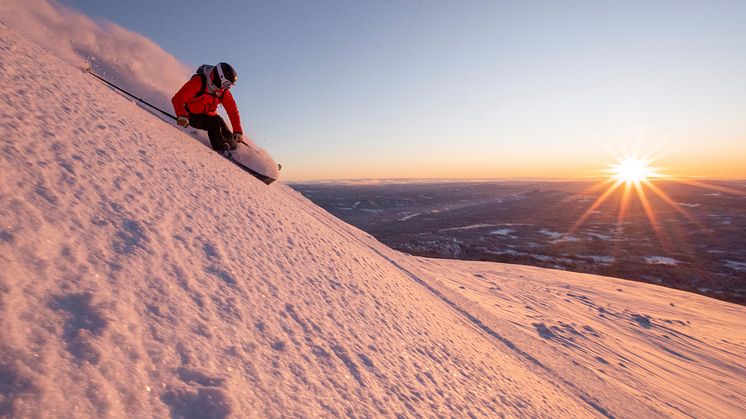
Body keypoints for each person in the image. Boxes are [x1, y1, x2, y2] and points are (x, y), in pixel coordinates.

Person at [171, 62, 244, 154]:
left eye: (229, 85)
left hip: (209, 115)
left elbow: (233, 110)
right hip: (192, 116)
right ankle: (220, 149)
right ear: (220, 77)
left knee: (220, 123)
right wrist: (181, 115)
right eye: (226, 84)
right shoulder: (199, 82)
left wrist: (237, 131)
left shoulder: (223, 92)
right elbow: (178, 98)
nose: (227, 87)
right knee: (214, 123)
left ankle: (234, 146)